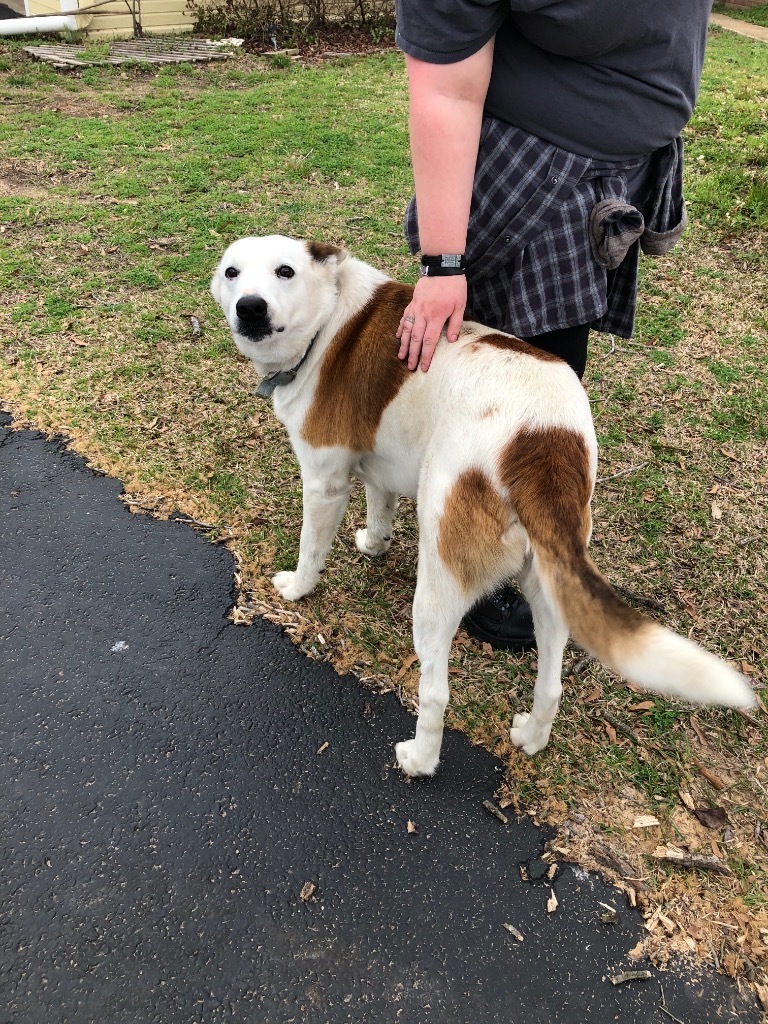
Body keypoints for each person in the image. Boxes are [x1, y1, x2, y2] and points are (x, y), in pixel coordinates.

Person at [394, 0, 710, 649]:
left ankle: (504, 538)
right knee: (516, 402)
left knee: (547, 388)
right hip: (536, 180)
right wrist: (445, 265)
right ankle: (475, 573)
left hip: (599, 166)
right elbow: (444, 86)